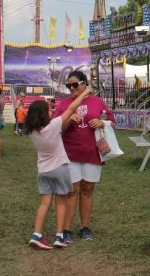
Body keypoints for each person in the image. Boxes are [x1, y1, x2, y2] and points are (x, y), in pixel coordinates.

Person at [25, 87, 93, 250]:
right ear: (43, 114)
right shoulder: (54, 126)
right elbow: (71, 108)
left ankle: (37, 234)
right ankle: (59, 236)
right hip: (60, 169)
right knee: (61, 202)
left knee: (44, 203)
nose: (51, 112)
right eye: (49, 110)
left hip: (44, 171)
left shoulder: (32, 132)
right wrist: (84, 94)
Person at [53, 70, 114, 242]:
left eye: (74, 84)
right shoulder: (64, 105)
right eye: (68, 85)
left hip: (93, 153)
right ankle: (66, 229)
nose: (71, 88)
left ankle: (85, 227)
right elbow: (55, 128)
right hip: (70, 154)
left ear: (84, 83)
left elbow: (111, 120)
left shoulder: (98, 102)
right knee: (72, 191)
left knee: (87, 190)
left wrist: (103, 122)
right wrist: (67, 121)